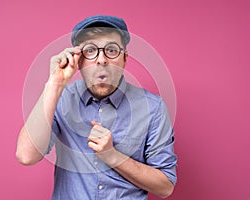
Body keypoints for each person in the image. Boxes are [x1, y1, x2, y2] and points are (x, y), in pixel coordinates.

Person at [16, 15, 177, 199]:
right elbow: (26, 155)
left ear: (124, 59)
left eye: (111, 50)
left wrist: (113, 156)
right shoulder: (61, 98)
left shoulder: (153, 108)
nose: (101, 60)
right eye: (90, 50)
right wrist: (55, 84)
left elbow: (166, 187)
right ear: (79, 60)